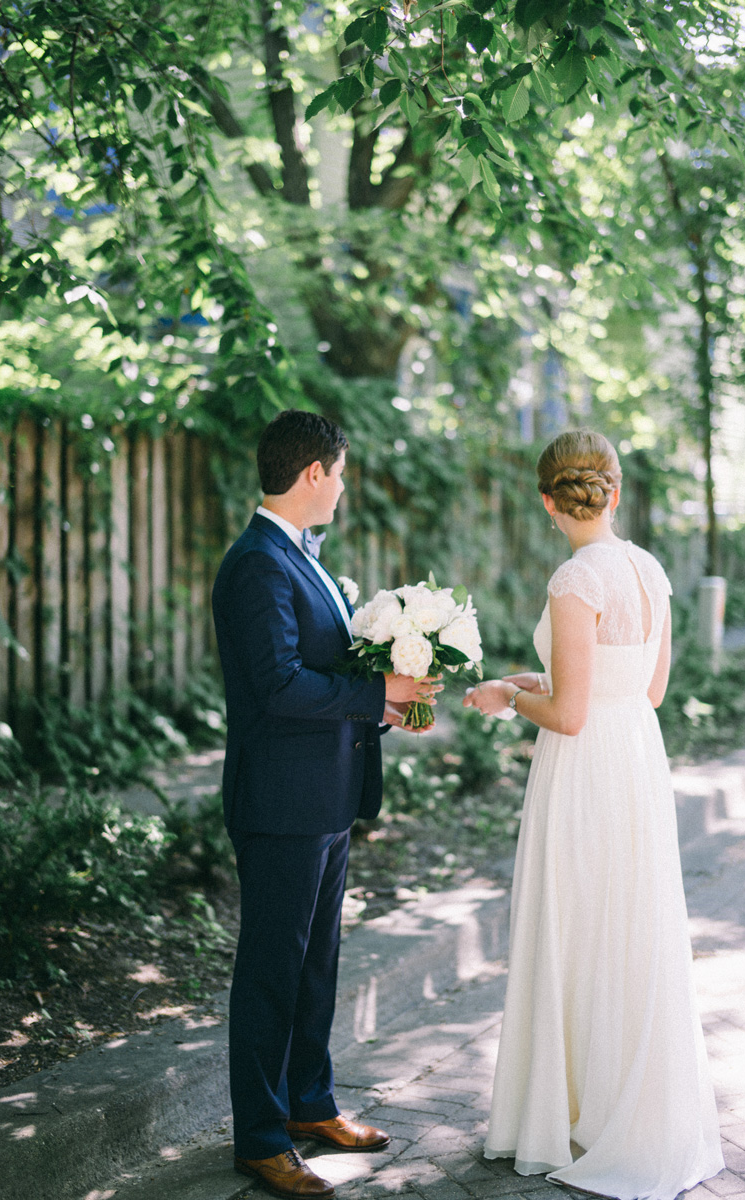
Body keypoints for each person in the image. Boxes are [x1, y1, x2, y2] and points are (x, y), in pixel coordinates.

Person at [463, 429, 724, 1200]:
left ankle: (571, 1110)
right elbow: (644, 692)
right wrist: (534, 679)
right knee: (628, 928)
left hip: (581, 773)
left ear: (548, 501)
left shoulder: (575, 581)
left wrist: (506, 697)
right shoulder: (648, 571)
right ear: (613, 490)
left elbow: (569, 715)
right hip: (636, 765)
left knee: (574, 926)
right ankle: (618, 1101)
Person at [212, 410, 439, 1200]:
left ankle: (310, 1104)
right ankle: (261, 1138)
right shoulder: (258, 566)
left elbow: (323, 674)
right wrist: (379, 689)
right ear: (313, 473)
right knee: (273, 969)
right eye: (339, 475)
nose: (343, 489)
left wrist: (387, 696)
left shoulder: (301, 559)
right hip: (279, 802)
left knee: (316, 964)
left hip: (327, 797)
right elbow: (278, 688)